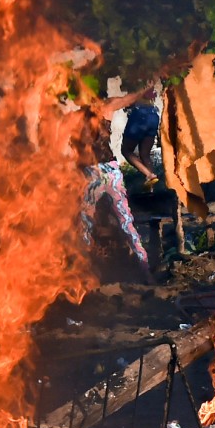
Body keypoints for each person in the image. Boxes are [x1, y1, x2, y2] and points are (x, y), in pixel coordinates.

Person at [74, 86, 157, 284]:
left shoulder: (79, 115)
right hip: (108, 171)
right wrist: (146, 87)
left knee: (85, 225)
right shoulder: (106, 108)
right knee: (126, 223)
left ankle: (83, 277)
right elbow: (130, 97)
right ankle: (145, 271)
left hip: (91, 173)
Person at [121, 81, 161, 190]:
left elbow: (129, 98)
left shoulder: (136, 80)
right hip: (153, 115)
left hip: (139, 116)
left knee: (126, 151)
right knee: (145, 154)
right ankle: (151, 188)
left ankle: (149, 175)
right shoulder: (150, 80)